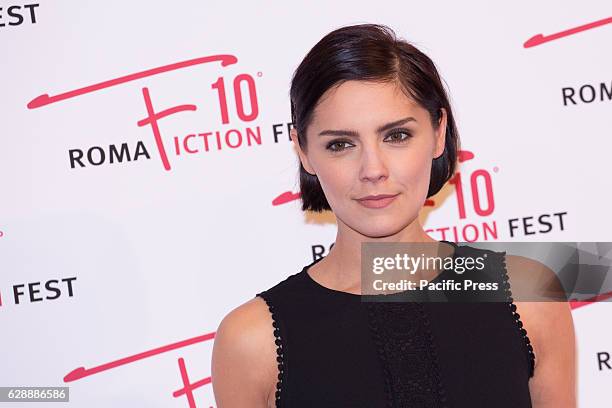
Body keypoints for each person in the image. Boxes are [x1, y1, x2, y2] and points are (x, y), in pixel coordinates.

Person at [211, 23, 576, 407]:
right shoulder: (253, 341)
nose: (373, 169)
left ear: (438, 133)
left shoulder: (530, 298)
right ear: (303, 152)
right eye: (341, 144)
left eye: (396, 136)